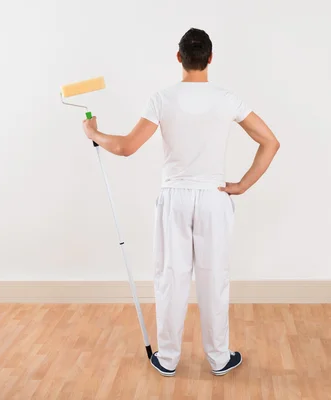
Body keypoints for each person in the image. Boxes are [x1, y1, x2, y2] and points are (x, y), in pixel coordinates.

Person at [82, 28, 280, 377]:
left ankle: (169, 359)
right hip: (214, 198)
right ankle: (219, 358)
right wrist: (242, 185)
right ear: (211, 58)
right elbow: (270, 142)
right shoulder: (227, 99)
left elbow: (127, 147)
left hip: (174, 198)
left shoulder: (162, 98)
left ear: (179, 58)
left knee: (171, 277)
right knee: (213, 277)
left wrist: (94, 133)